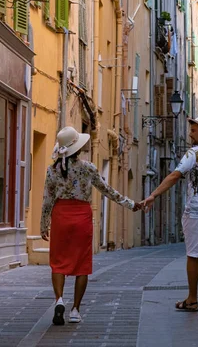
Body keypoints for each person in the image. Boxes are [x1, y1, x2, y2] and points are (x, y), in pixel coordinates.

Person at [41, 126, 141, 325]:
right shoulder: (89, 168)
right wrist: (130, 204)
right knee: (82, 265)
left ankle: (59, 299)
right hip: (81, 217)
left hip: (60, 216)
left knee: (58, 262)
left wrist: (43, 224)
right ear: (77, 148)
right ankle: (75, 310)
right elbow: (107, 190)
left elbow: (47, 199)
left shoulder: (52, 171)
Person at [141, 114, 198, 316]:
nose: (190, 135)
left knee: (193, 255)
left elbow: (175, 175)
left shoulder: (194, 153)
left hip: (196, 211)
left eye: (193, 130)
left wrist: (153, 195)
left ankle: (192, 299)